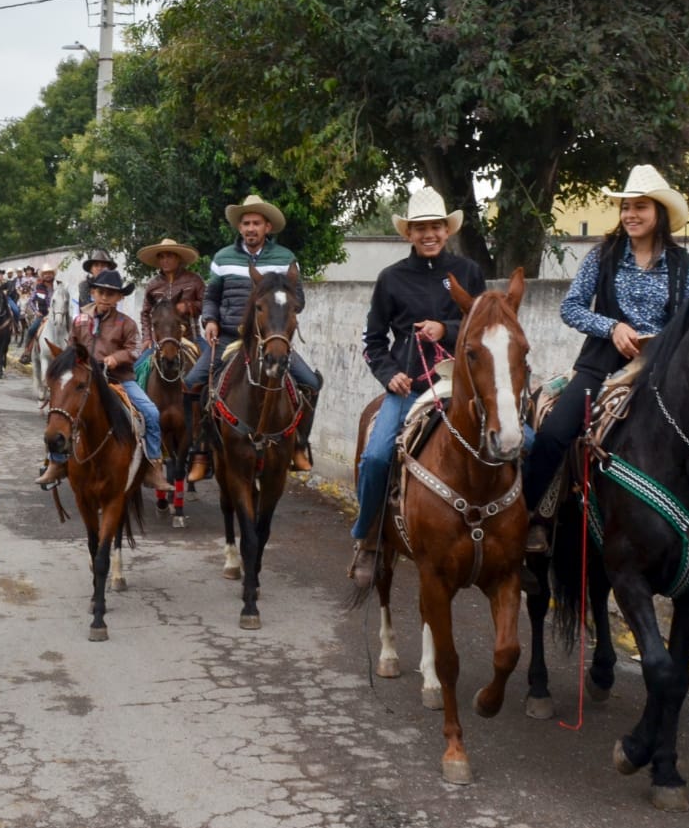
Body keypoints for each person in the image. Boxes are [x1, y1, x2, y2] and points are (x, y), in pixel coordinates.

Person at [520, 164, 689, 553]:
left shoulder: (681, 264)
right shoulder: (603, 255)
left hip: (658, 369)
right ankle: (533, 518)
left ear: (659, 213)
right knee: (552, 435)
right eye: (626, 207)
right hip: (601, 364)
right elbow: (571, 308)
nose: (631, 215)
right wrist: (611, 326)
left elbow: (683, 318)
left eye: (641, 207)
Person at [348, 188, 485, 586]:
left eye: (436, 227)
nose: (429, 234)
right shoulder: (390, 279)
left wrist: (447, 329)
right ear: (409, 232)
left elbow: (484, 325)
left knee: (520, 439)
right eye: (421, 228)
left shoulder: (468, 272)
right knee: (375, 458)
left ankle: (519, 537)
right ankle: (369, 537)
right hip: (410, 387)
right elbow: (372, 341)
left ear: (447, 230)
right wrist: (390, 374)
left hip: (461, 385)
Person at [184, 194, 322, 480]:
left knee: (309, 382)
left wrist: (279, 321)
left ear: (267, 227)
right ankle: (199, 450)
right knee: (192, 383)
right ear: (240, 228)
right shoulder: (223, 258)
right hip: (228, 338)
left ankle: (298, 444)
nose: (250, 228)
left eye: (256, 223)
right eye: (245, 223)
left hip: (271, 339)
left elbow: (298, 300)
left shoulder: (286, 259)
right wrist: (209, 320)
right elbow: (211, 296)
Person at [35, 269, 173, 492]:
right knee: (59, 410)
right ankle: (55, 461)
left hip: (119, 379)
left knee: (151, 413)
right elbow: (72, 346)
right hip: (84, 379)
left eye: (111, 294)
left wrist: (114, 358)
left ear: (120, 297)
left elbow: (135, 350)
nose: (105, 297)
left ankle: (154, 467)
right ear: (93, 293)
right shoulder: (80, 320)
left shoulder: (126, 323)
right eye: (101, 292)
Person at [16, 263, 57, 366]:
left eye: (50, 273)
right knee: (32, 330)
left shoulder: (58, 285)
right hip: (43, 314)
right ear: (42, 275)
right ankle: (27, 352)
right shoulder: (38, 287)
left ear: (53, 274)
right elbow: (31, 301)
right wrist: (36, 311)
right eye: (45, 273)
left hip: (57, 314)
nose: (48, 275)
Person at [76, 248, 116, 313]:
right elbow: (86, 308)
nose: (99, 268)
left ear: (108, 269)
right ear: (91, 269)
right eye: (96, 265)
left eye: (103, 265)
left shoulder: (114, 287)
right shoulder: (84, 286)